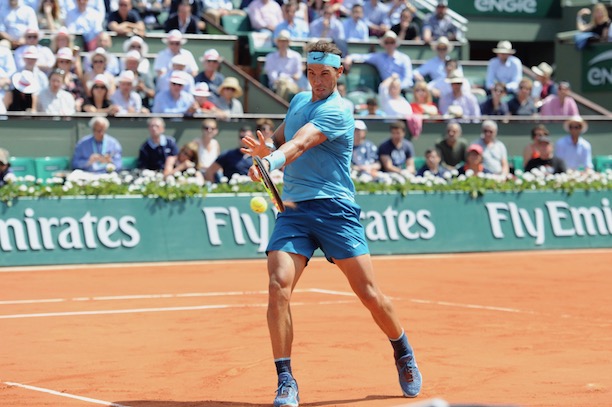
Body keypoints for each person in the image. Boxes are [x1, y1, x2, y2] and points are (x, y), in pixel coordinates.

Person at [240, 40, 422, 407]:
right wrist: (265, 151)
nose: (317, 81)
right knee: (277, 286)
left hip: (335, 210)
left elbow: (300, 144)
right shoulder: (298, 101)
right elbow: (282, 138)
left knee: (369, 294)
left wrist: (270, 163)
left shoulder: (339, 111)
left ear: (339, 72)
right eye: (311, 73)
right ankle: (286, 380)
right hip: (294, 211)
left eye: (325, 74)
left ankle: (402, 349)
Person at [344, 30, 414, 92]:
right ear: (384, 44)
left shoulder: (404, 58)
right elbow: (363, 57)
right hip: (387, 90)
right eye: (387, 42)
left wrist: (397, 88)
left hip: (403, 90)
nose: (389, 45)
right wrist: (350, 57)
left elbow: (408, 79)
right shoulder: (379, 57)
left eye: (392, 42)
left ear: (395, 43)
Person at [264, 30, 303, 101]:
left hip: (291, 84)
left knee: (286, 86)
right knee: (282, 85)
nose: (283, 43)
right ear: (277, 42)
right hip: (276, 84)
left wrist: (286, 79)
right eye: (281, 41)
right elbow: (272, 75)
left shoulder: (296, 56)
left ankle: (279, 106)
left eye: (285, 41)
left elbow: (298, 75)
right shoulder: (270, 57)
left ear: (288, 42)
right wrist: (281, 80)